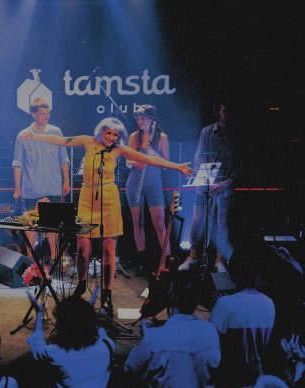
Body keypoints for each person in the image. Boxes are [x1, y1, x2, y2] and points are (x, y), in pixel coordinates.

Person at [23, 117, 193, 308]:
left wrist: (177, 166)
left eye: (115, 134)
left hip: (109, 200)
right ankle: (81, 283)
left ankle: (107, 292)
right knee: (83, 250)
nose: (111, 137)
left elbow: (150, 159)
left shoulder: (120, 150)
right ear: (101, 131)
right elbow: (62, 140)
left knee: (108, 250)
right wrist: (35, 136)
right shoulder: (88, 141)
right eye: (108, 133)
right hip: (87, 199)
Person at [124, 278, 221, 388]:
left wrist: (147, 338)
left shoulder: (155, 338)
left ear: (171, 298)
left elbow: (130, 369)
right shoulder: (211, 332)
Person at [27, 293, 116, 388]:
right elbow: (100, 332)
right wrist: (91, 314)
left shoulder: (56, 355)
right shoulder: (107, 348)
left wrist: (39, 314)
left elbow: (37, 343)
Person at [178, 100, 237, 273]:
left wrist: (224, 183)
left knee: (222, 222)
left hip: (225, 185)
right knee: (197, 220)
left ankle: (219, 260)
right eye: (224, 111)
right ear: (218, 111)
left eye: (228, 111)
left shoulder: (236, 135)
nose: (226, 114)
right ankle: (192, 256)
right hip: (205, 183)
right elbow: (198, 158)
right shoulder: (207, 132)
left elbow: (239, 164)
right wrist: (207, 180)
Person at [209, 245, 276, 388]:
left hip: (230, 383)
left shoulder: (225, 304)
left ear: (233, 272)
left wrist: (217, 308)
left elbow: (213, 344)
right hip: (256, 382)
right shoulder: (269, 303)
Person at [13, 98, 70, 264]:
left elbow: (63, 159)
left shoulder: (56, 132)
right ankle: (31, 263)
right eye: (42, 114)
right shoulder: (23, 135)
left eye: (48, 113)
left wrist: (66, 181)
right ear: (33, 114)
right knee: (31, 226)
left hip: (53, 187)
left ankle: (54, 260)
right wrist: (17, 188)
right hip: (32, 188)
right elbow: (18, 163)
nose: (46, 116)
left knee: (53, 225)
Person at [125, 105, 170, 275]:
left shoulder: (162, 137)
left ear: (152, 120)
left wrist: (153, 152)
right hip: (135, 183)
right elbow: (127, 161)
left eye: (144, 117)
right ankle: (141, 261)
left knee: (159, 222)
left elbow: (166, 164)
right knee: (138, 222)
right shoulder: (133, 137)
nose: (140, 120)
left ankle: (166, 261)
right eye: (138, 117)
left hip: (154, 184)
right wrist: (135, 163)